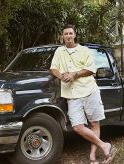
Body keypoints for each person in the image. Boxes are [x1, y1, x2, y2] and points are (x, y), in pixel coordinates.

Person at [50, 24, 117, 164]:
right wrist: (61, 76)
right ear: (62, 36)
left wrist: (74, 74)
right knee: (77, 126)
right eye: (65, 34)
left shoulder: (84, 50)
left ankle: (93, 156)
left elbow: (91, 69)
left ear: (74, 35)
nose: (68, 36)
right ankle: (104, 145)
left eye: (70, 33)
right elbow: (53, 68)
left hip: (89, 90)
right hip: (71, 94)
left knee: (94, 123)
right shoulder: (59, 51)